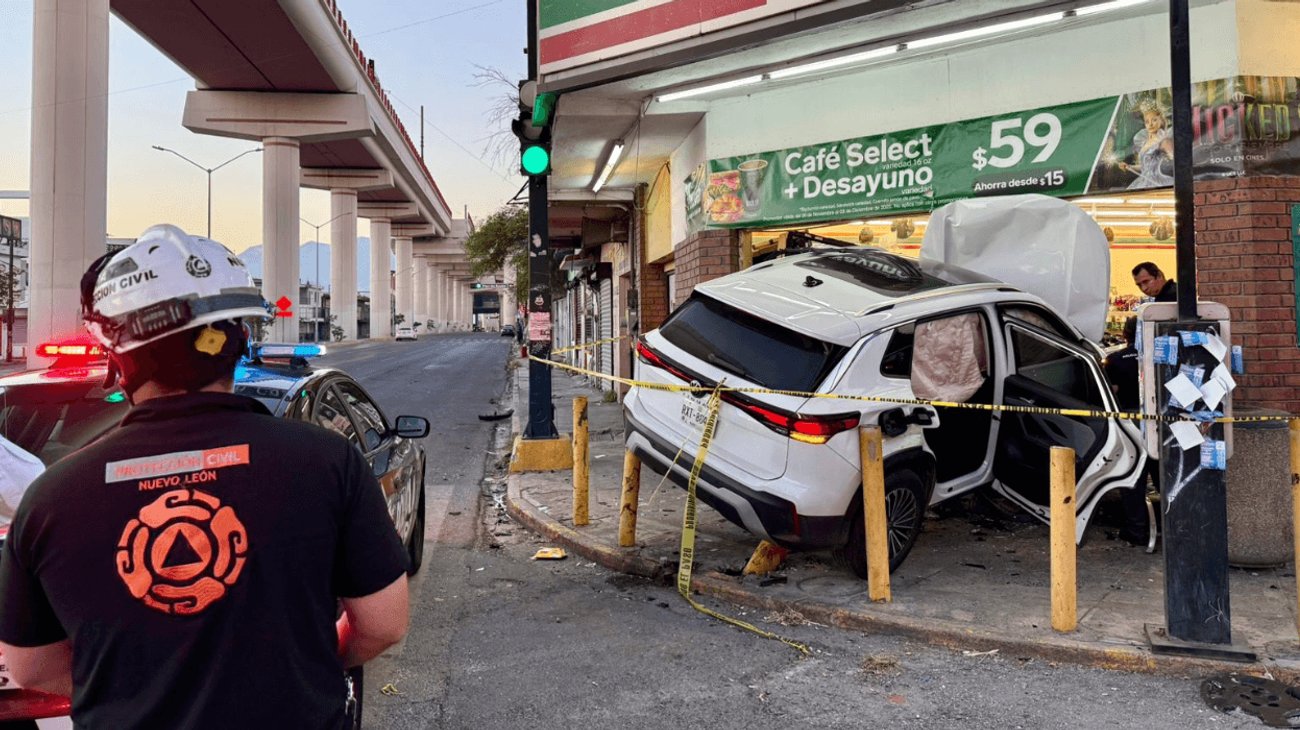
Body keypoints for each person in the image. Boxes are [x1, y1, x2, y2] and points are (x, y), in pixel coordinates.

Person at [0, 225, 409, 728]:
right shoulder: (327, 462)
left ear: (117, 358)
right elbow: (384, 624)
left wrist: (135, 688)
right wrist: (309, 665)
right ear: (238, 339)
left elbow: (32, 666)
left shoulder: (49, 499)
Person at [1103, 316, 1156, 546]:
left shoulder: (1115, 360)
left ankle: (1136, 532)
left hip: (1129, 423)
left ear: (1125, 335)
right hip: (1156, 421)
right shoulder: (1157, 358)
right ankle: (1176, 529)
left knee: (1133, 479)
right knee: (1164, 477)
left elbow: (1111, 391)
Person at [1118, 99, 1175, 190]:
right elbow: (1145, 168)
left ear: (1161, 119)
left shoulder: (1164, 140)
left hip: (1157, 182)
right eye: (1147, 122)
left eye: (1154, 120)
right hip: (1144, 182)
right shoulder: (1144, 141)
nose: (1150, 124)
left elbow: (1175, 163)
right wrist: (1129, 167)